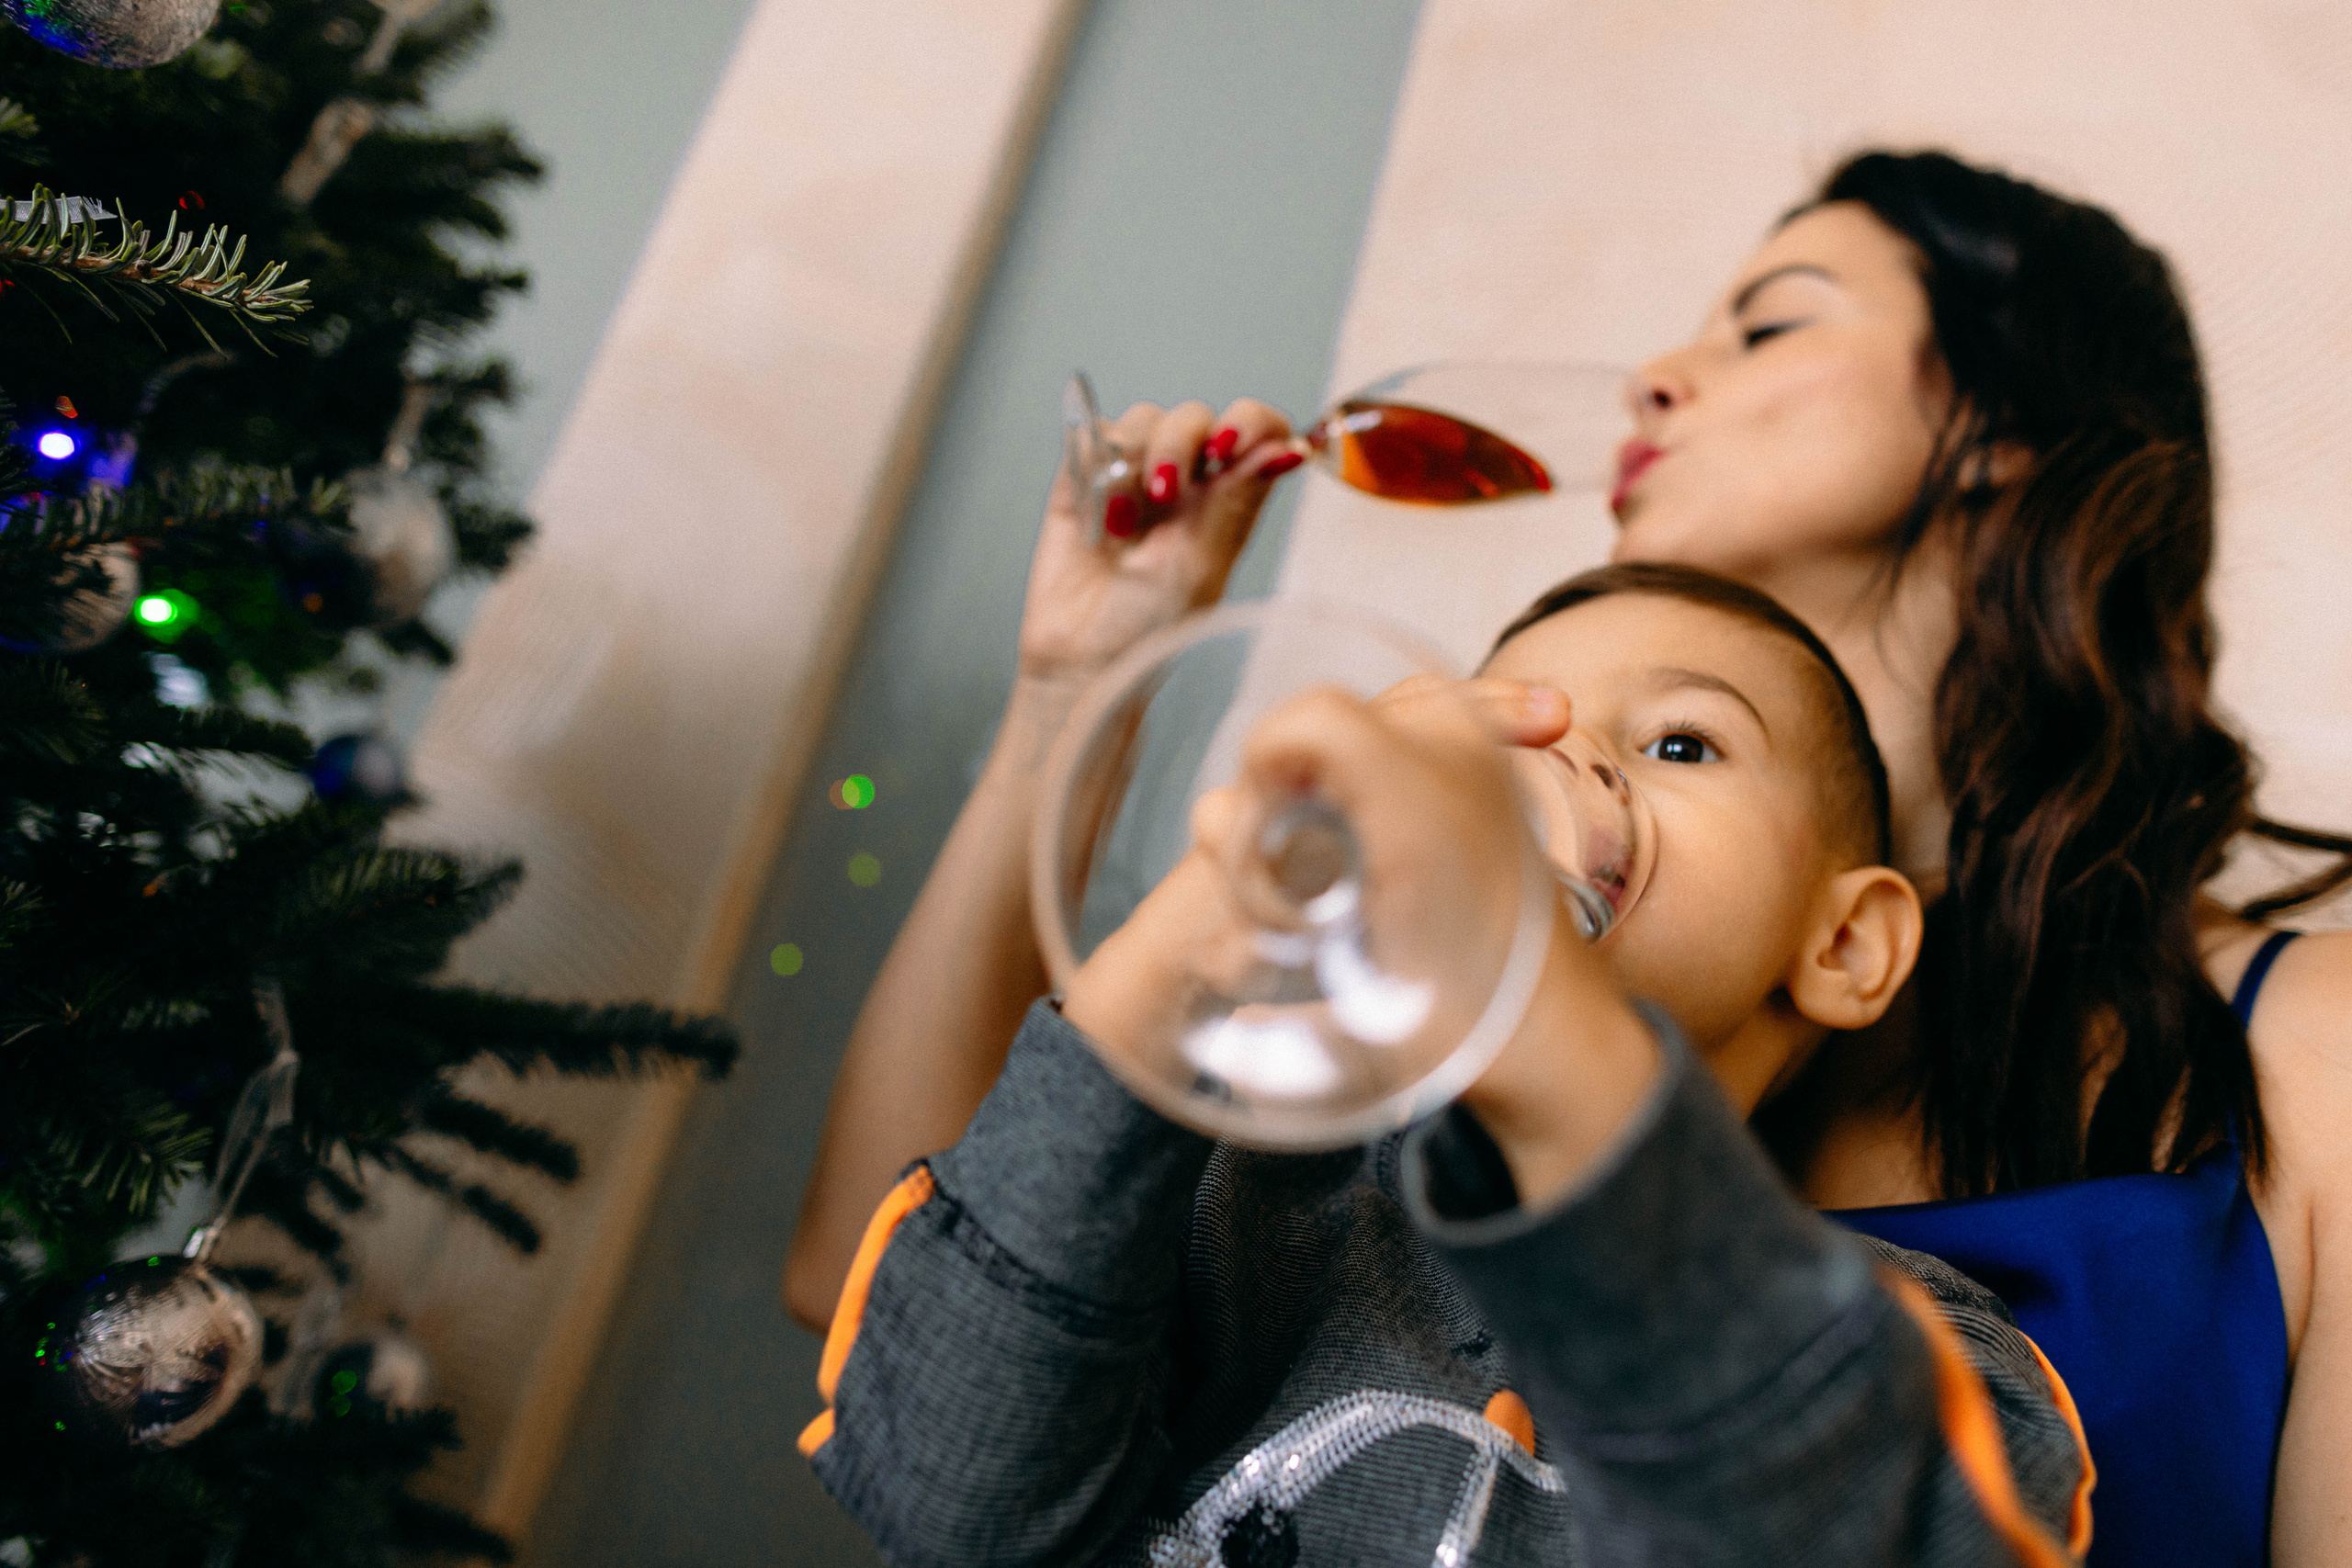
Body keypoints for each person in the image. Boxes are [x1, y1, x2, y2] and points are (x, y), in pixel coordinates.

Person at [786, 149, 2352, 1567]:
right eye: (1552, 722)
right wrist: (1083, 686)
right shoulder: (1356, 1108)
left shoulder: (2308, 1042)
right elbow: (912, 1321)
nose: (1657, 377)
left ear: (2012, 424)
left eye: (1769, 326)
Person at [800, 563, 2091, 1566]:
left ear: (1847, 943)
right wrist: (1199, 934)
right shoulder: (1245, 1194)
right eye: (1494, 743)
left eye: (1681, 744)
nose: (1560, 763)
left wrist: (1546, 1024)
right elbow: (949, 1494)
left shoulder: (1917, 1352)